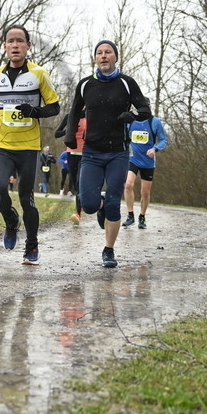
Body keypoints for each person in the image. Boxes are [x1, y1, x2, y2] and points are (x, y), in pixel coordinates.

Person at [65, 39, 151, 268]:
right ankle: (99, 205)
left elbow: (145, 109)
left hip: (118, 153)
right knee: (90, 204)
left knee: (114, 203)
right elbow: (73, 112)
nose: (104, 56)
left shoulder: (126, 83)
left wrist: (133, 116)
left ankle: (109, 251)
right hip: (91, 152)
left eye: (108, 52)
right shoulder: (85, 85)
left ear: (115, 57)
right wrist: (69, 135)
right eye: (100, 53)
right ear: (95, 58)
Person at [0, 24, 60, 265]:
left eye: (20, 41)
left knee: (27, 198)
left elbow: (55, 106)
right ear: (5, 47)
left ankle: (32, 246)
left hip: (28, 148)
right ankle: (11, 221)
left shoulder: (39, 74)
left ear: (28, 46)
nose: (15, 45)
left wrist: (35, 111)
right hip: (2, 145)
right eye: (11, 41)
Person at [123, 116, 168, 229]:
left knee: (145, 192)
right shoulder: (131, 120)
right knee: (128, 185)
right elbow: (123, 136)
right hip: (132, 158)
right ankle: (130, 215)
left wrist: (155, 149)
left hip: (148, 161)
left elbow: (163, 140)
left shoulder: (155, 122)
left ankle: (142, 216)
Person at [54, 114, 86, 223]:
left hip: (86, 154)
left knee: (78, 182)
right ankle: (81, 203)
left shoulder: (91, 114)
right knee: (76, 185)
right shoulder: (69, 117)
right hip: (71, 154)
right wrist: (68, 131)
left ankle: (78, 214)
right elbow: (57, 134)